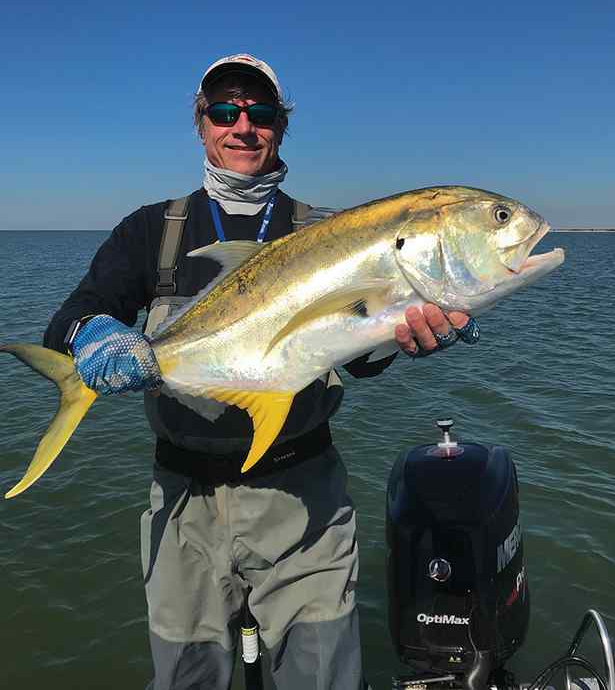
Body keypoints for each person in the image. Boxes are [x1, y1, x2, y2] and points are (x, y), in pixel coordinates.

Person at [43, 54, 479, 690]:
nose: (242, 125)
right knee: (187, 678)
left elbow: (354, 356)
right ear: (201, 124)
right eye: (224, 111)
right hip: (181, 504)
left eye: (260, 112)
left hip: (303, 502)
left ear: (280, 126)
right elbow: (74, 314)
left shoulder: (323, 231)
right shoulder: (153, 232)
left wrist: (397, 336)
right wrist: (92, 339)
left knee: (322, 675)